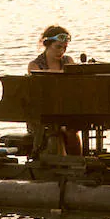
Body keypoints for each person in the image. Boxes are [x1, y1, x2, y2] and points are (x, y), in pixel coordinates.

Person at [26, 26, 83, 155]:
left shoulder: (68, 61)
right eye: (58, 47)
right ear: (47, 45)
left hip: (65, 109)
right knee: (58, 131)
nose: (61, 51)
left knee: (72, 130)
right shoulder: (35, 65)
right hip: (42, 113)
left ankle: (78, 161)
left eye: (64, 47)